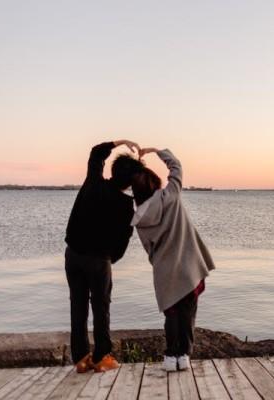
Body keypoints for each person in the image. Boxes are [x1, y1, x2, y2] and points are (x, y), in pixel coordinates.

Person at [131, 147, 215, 372]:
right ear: (155, 184)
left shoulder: (139, 218)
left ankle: (170, 356)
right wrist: (158, 151)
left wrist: (160, 263)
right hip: (187, 267)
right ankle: (184, 355)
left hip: (163, 270)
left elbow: (149, 249)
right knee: (188, 312)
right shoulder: (172, 196)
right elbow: (176, 167)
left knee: (172, 314)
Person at [65, 140, 144, 373]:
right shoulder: (126, 206)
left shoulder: (93, 182)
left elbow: (96, 152)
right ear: (130, 182)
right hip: (99, 260)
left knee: (77, 306)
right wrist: (109, 259)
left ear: (113, 171)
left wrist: (121, 142)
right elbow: (122, 244)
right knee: (101, 308)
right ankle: (101, 357)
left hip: (73, 255)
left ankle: (80, 358)